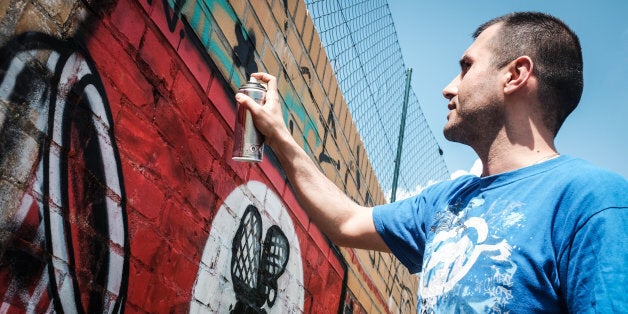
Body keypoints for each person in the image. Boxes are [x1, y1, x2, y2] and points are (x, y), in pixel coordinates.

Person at [235, 12, 627, 313]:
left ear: (515, 75)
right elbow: (347, 222)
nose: (448, 87)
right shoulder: (446, 201)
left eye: (467, 67)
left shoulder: (592, 201)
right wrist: (279, 135)